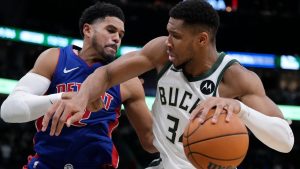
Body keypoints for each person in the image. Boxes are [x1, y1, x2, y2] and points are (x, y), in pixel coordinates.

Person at [42, 0, 294, 168]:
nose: (168, 41)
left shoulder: (235, 77)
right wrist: (81, 97)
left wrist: (241, 110)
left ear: (201, 40)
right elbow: (107, 74)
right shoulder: (162, 53)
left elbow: (286, 141)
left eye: (176, 35)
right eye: (168, 32)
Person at [0, 2, 157, 169]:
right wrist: (61, 98)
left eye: (121, 34)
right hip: (46, 164)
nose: (117, 38)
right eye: (111, 30)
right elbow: (9, 111)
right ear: (87, 30)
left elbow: (150, 140)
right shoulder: (55, 58)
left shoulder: (127, 79)